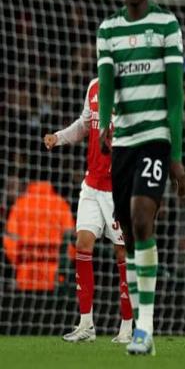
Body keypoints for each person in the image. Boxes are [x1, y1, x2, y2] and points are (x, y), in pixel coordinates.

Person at [97, 0, 185, 356]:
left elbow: (175, 95)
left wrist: (175, 154)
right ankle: (140, 328)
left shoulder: (166, 24)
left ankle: (144, 328)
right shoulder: (108, 30)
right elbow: (106, 83)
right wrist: (104, 123)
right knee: (130, 237)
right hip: (124, 144)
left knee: (140, 217)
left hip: (155, 139)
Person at [44, 77, 133, 344]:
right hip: (92, 185)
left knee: (122, 253)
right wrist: (59, 137)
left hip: (118, 188)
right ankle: (86, 324)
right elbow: (84, 125)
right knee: (82, 245)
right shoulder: (94, 86)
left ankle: (127, 326)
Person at [3, 177, 74, 291]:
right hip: (56, 281)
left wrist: (19, 264)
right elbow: (72, 242)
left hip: (26, 279)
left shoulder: (19, 205)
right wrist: (63, 266)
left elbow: (10, 242)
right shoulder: (62, 204)